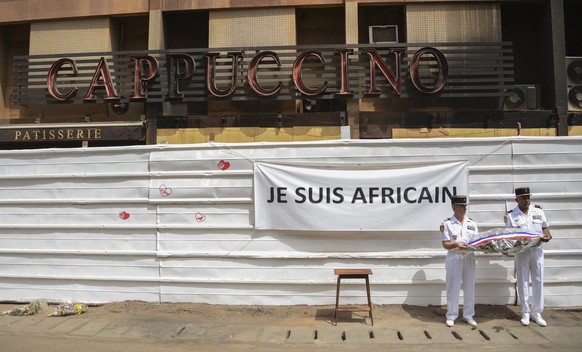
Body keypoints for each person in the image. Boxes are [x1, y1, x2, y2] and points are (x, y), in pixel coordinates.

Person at [505, 186, 552, 327]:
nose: (527, 200)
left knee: (538, 280)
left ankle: (536, 312)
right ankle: (525, 312)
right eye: (523, 197)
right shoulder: (512, 216)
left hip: (537, 250)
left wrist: (548, 236)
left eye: (528, 197)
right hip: (522, 252)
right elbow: (509, 235)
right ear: (516, 199)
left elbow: (545, 228)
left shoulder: (538, 211)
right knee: (523, 281)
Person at [440, 195, 479, 327]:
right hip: (454, 257)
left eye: (465, 206)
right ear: (454, 207)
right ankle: (451, 315)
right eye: (462, 206)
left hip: (469, 257)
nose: (464, 208)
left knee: (470, 287)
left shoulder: (472, 224)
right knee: (453, 287)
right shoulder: (447, 224)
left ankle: (469, 315)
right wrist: (457, 244)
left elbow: (477, 241)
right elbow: (445, 244)